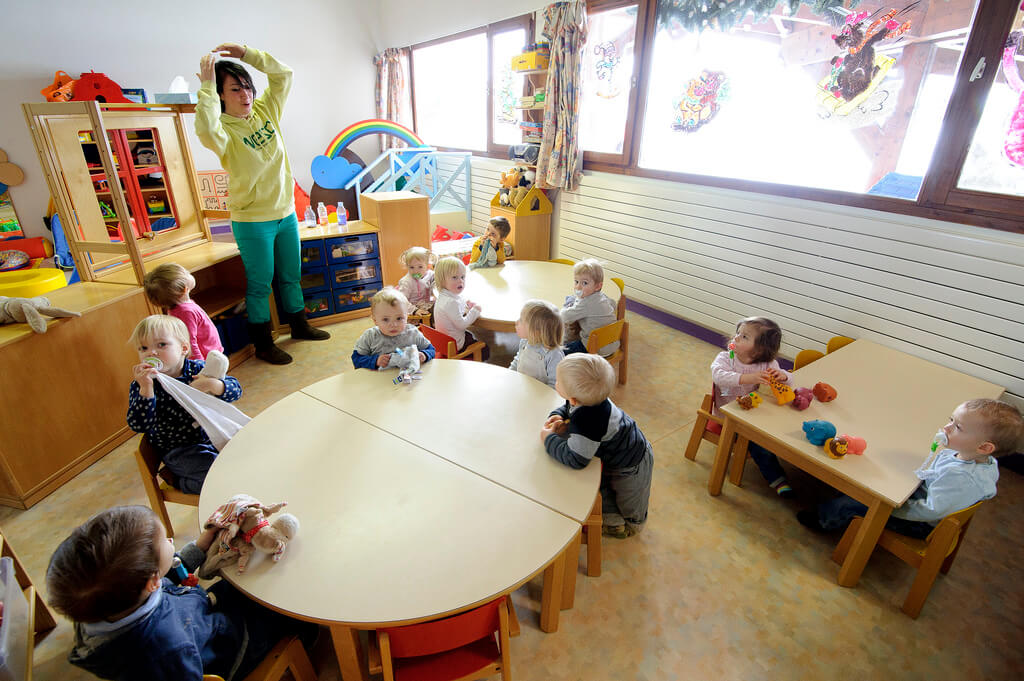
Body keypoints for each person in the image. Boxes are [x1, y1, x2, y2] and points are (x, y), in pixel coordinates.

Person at [46, 505, 317, 681]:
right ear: (152, 582)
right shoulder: (164, 652)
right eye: (165, 541)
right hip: (229, 648)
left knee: (249, 584)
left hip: (199, 616)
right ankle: (306, 636)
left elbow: (172, 566)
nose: (171, 541)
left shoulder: (108, 601)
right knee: (288, 606)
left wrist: (201, 544)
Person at [195, 42, 329, 366]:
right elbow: (204, 126)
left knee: (291, 275)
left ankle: (298, 326)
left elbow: (284, 74)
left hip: (285, 213)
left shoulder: (266, 111)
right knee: (260, 284)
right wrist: (205, 86)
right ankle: (264, 344)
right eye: (235, 89)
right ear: (221, 95)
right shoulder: (222, 131)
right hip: (253, 219)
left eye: (247, 87)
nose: (246, 95)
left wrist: (246, 54)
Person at [798, 399, 1024, 536]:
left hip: (921, 522)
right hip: (926, 495)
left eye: (958, 427)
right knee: (876, 480)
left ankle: (824, 519)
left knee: (858, 501)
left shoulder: (963, 478)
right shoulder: (978, 459)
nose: (947, 428)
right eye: (951, 420)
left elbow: (930, 510)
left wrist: (890, 507)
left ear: (984, 447)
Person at [540, 354, 653, 538]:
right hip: (618, 452)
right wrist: (559, 415)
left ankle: (633, 524)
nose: (556, 383)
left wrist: (548, 439)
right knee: (607, 489)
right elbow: (569, 407)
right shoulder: (590, 399)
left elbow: (576, 459)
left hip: (633, 462)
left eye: (558, 381)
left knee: (630, 500)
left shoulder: (588, 422)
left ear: (575, 398)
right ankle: (614, 521)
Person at [127, 315, 242, 494]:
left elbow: (236, 390)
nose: (151, 353)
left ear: (183, 348)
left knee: (246, 462)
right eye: (143, 348)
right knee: (218, 482)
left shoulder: (197, 370)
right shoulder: (143, 384)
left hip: (212, 437)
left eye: (161, 345)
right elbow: (138, 425)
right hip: (179, 450)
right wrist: (146, 390)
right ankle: (179, 481)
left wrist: (213, 385)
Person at [711, 316, 796, 498]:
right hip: (729, 413)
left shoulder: (768, 364)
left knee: (780, 428)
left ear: (759, 350)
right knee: (759, 442)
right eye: (738, 333)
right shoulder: (727, 357)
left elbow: (790, 380)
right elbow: (718, 376)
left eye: (744, 337)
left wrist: (783, 377)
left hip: (754, 412)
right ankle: (777, 478)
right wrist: (748, 378)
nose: (736, 337)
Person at [143, 263, 223, 360]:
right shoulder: (185, 313)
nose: (189, 274)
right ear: (184, 289)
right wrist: (200, 365)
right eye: (187, 273)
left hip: (211, 353)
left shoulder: (181, 307)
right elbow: (189, 343)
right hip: (208, 358)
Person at [352, 288, 435, 369]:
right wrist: (375, 360)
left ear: (407, 317)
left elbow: (431, 349)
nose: (394, 325)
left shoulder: (412, 333)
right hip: (380, 379)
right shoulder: (370, 336)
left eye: (399, 318)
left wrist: (424, 355)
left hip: (407, 377)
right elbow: (356, 359)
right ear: (375, 320)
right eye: (385, 319)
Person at [432, 256, 490, 361]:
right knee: (485, 350)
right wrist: (475, 310)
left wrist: (466, 304)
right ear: (442, 280)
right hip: (455, 344)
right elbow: (461, 325)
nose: (460, 281)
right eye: (455, 277)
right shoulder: (450, 302)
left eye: (463, 277)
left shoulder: (444, 295)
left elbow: (456, 305)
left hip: (444, 340)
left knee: (471, 336)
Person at [560, 259, 617, 356]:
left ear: (598, 286)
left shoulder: (586, 303)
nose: (578, 287)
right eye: (576, 281)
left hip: (594, 347)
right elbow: (613, 304)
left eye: (584, 283)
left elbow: (564, 317)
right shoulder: (601, 296)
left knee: (559, 353)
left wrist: (565, 308)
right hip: (611, 344)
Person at [509, 299, 564, 388]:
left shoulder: (553, 355)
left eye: (521, 320)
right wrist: (510, 373)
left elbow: (555, 384)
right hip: (523, 387)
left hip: (541, 396)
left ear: (536, 331)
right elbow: (518, 360)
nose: (516, 322)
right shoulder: (524, 342)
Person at [396, 246, 437, 316]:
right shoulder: (406, 282)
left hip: (427, 303)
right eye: (411, 267)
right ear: (407, 266)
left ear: (427, 265)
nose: (416, 271)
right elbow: (401, 300)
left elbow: (438, 281)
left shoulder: (430, 274)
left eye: (420, 267)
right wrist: (414, 310)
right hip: (413, 309)